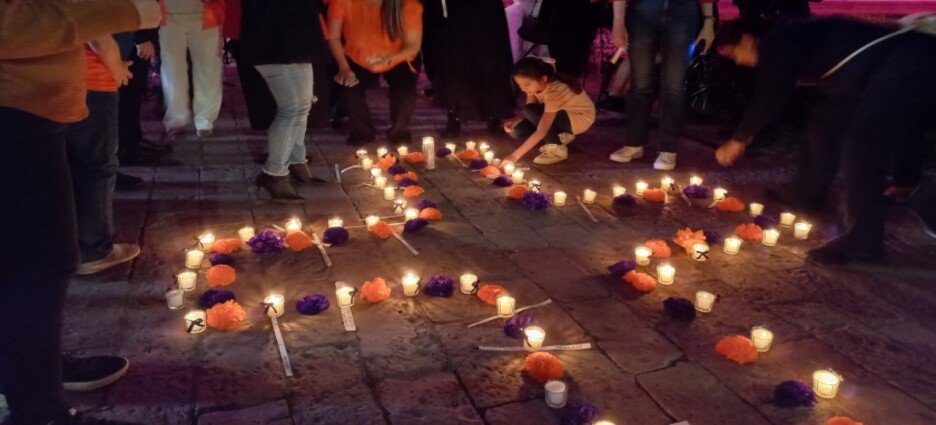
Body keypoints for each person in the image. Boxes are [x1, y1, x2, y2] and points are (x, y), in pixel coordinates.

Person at [1, 1, 160, 423]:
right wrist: (127, 11)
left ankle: (31, 370)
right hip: (13, 119)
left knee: (32, 263)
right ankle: (38, 407)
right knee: (39, 265)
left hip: (30, 113)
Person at [714, 17, 936, 264]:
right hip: (879, 69)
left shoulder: (778, 41)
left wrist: (740, 139)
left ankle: (862, 243)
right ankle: (807, 194)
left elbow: (771, 94)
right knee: (823, 124)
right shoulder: (791, 39)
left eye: (734, 54)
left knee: (862, 146)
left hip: (906, 62)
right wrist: (907, 178)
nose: (739, 62)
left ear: (746, 40)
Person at [607, 0, 716, 170]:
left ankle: (668, 149)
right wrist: (618, 21)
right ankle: (634, 143)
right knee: (639, 83)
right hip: (643, 10)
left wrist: (708, 21)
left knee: (674, 85)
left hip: (683, 11)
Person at [68, 35, 144, 276]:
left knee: (68, 166)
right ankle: (94, 249)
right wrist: (116, 66)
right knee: (95, 167)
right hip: (92, 79)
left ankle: (67, 247)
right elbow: (97, 34)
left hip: (62, 78)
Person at [238, 0, 329, 201]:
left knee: (302, 107)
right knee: (292, 109)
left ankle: (296, 161)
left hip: (299, 40)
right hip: (273, 42)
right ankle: (274, 173)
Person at [327, 0, 424, 146]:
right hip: (356, 57)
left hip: (398, 58)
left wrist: (388, 59)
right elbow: (333, 37)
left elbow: (413, 46)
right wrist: (344, 68)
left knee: (404, 92)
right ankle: (361, 132)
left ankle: (400, 132)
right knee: (350, 88)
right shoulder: (342, 2)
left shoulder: (408, 5)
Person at [422, 0, 516, 137]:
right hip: (453, 17)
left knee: (490, 63)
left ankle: (494, 116)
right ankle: (454, 116)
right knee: (455, 66)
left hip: (485, 15)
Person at [502, 57, 596, 165]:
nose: (523, 89)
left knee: (530, 112)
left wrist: (514, 156)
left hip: (578, 119)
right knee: (517, 130)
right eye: (520, 85)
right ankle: (560, 134)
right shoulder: (535, 86)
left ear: (543, 79)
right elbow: (530, 110)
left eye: (527, 84)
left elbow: (541, 129)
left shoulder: (555, 90)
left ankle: (557, 149)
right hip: (558, 116)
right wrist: (516, 120)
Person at [158, 0, 225, 138]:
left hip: (206, 13)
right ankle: (177, 117)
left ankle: (204, 120)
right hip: (168, 15)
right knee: (172, 69)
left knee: (208, 68)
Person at [117, 28, 172, 169]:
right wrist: (140, 38)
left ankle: (133, 142)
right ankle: (127, 149)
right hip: (131, 40)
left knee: (133, 95)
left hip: (136, 39)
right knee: (127, 96)